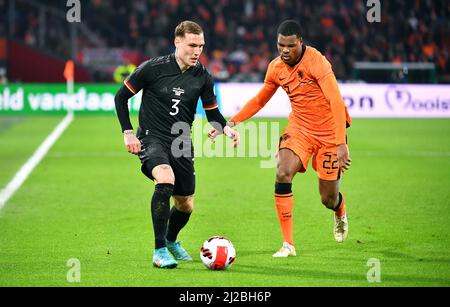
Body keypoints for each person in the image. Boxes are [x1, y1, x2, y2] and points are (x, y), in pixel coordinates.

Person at [209, 20, 352, 257]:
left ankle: (339, 210)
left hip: (329, 133)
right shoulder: (276, 68)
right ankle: (288, 244)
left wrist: (341, 143)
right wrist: (230, 121)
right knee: (283, 171)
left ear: (301, 43)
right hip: (300, 129)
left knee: (328, 198)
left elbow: (336, 101)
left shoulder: (317, 62)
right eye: (280, 45)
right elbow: (259, 100)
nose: (285, 50)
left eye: (290, 45)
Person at [114, 21, 240, 268]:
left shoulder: (203, 76)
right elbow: (121, 98)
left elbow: (213, 113)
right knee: (165, 179)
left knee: (185, 204)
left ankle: (171, 241)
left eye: (201, 46)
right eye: (192, 45)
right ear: (178, 42)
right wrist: (128, 133)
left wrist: (225, 128)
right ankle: (159, 251)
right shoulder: (152, 68)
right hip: (152, 137)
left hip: (181, 141)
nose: (197, 51)